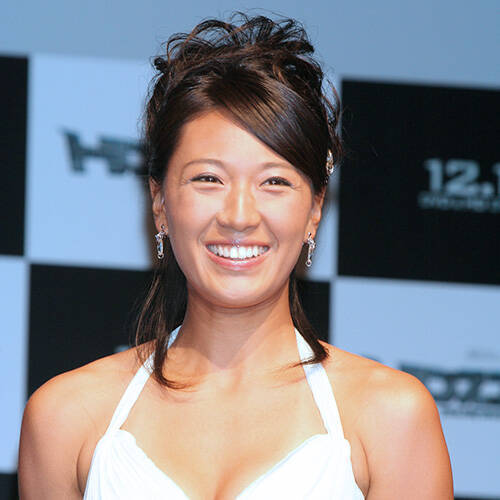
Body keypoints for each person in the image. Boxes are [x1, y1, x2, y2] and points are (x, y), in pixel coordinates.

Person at [18, 13, 453, 499]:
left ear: (315, 210)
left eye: (274, 181)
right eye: (209, 178)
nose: (240, 216)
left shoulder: (390, 417)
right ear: (159, 203)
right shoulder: (66, 417)